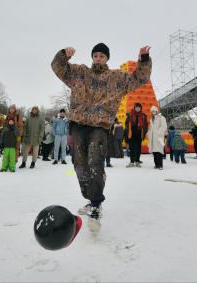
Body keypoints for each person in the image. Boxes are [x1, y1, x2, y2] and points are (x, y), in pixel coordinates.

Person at [51, 43, 151, 230]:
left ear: (107, 58)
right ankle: (91, 199)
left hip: (100, 125)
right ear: (92, 57)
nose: (98, 58)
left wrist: (143, 60)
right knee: (79, 164)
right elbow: (58, 68)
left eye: (102, 56)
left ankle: (96, 205)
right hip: (79, 124)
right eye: (95, 55)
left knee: (95, 162)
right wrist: (63, 55)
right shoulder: (79, 72)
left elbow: (140, 77)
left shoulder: (116, 78)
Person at [125, 102, 148, 168]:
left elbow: (146, 125)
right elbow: (126, 124)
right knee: (132, 148)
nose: (138, 109)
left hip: (139, 134)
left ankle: (137, 161)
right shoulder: (130, 115)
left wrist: (144, 133)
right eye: (136, 107)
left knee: (138, 148)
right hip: (132, 134)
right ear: (134, 108)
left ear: (140, 108)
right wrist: (127, 132)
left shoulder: (143, 115)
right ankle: (132, 162)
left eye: (139, 107)